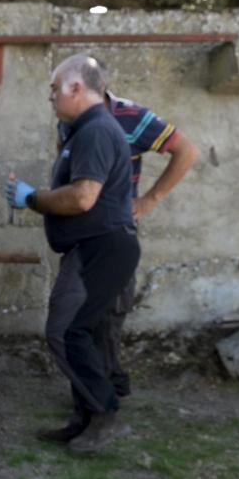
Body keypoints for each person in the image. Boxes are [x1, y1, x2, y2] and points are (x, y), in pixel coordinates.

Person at [6, 54, 139, 453]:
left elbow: (83, 197)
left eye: (54, 89)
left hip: (101, 246)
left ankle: (105, 415)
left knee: (64, 331)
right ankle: (86, 419)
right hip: (99, 246)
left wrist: (34, 198)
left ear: (76, 89)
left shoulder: (96, 131)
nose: (51, 98)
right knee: (88, 332)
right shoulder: (85, 131)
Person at [58, 70, 200, 398]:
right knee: (79, 316)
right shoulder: (68, 122)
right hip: (82, 235)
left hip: (113, 235)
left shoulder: (130, 116)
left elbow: (187, 151)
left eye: (58, 89)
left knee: (107, 317)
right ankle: (95, 394)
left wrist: (149, 200)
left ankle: (104, 400)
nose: (54, 97)